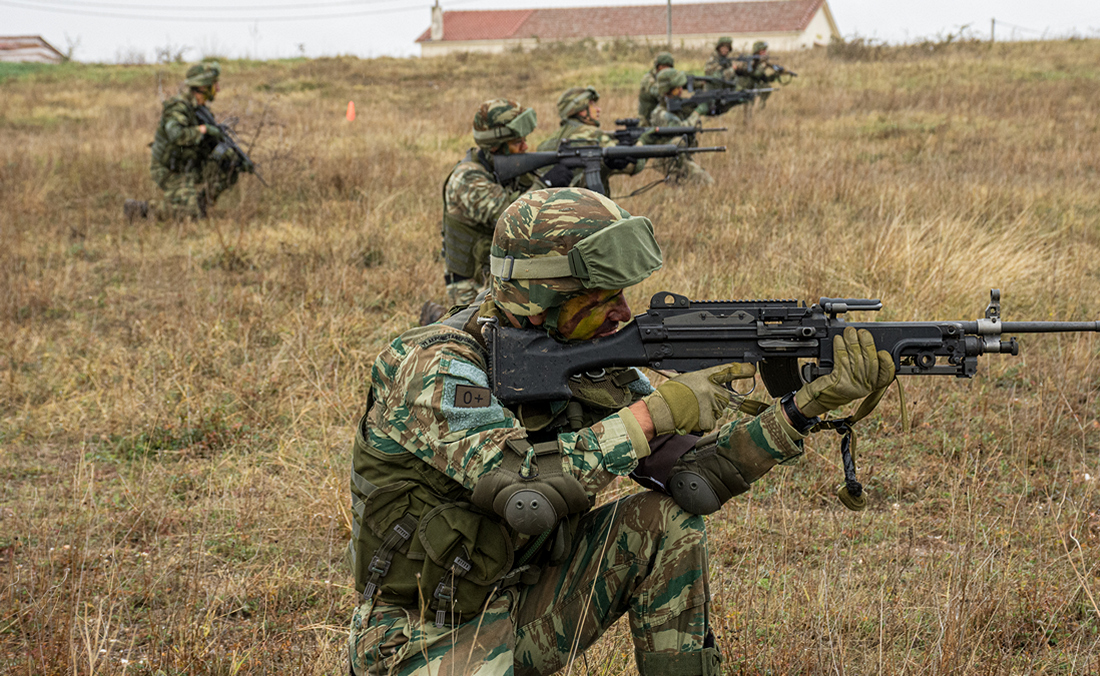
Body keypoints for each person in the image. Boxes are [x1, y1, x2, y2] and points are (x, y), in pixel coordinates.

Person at [346, 186, 895, 675]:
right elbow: (528, 496)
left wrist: (800, 408)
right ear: (540, 300)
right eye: (603, 298)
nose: (623, 312)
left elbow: (694, 481)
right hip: (423, 634)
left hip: (523, 599)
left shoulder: (587, 361)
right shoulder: (432, 366)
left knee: (670, 521)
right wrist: (652, 413)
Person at [438, 98, 542, 310]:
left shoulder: (506, 170)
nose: (526, 147)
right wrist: (546, 183)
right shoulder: (466, 179)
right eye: (517, 143)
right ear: (495, 147)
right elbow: (512, 217)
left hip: (501, 273)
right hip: (471, 286)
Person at [125, 61, 251, 221]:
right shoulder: (179, 107)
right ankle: (138, 209)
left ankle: (201, 205)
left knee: (230, 163)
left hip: (190, 165)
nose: (218, 89)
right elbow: (176, 135)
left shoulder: (202, 110)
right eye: (214, 84)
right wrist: (203, 130)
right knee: (187, 215)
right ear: (203, 86)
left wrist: (233, 158)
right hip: (170, 169)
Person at [537, 86, 645, 196]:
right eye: (592, 105)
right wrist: (642, 141)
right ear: (582, 111)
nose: (598, 109)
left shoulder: (547, 142)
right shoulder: (593, 134)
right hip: (584, 207)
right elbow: (633, 166)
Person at [644, 68, 714, 185]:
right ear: (667, 91)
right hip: (667, 159)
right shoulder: (660, 113)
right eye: (677, 89)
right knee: (707, 183)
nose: (681, 91)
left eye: (681, 87)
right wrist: (697, 112)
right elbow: (681, 127)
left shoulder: (676, 106)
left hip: (679, 158)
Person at [735, 41, 781, 106]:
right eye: (762, 51)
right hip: (743, 86)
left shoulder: (760, 62)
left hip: (753, 85)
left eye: (765, 51)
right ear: (757, 51)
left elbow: (764, 78)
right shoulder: (749, 60)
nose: (764, 53)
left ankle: (760, 105)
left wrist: (776, 74)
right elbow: (755, 74)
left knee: (766, 87)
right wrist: (763, 65)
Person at [638, 52, 675, 125]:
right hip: (646, 123)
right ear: (658, 67)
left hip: (661, 120)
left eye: (669, 67)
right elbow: (656, 91)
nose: (667, 70)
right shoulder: (647, 79)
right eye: (664, 66)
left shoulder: (666, 79)